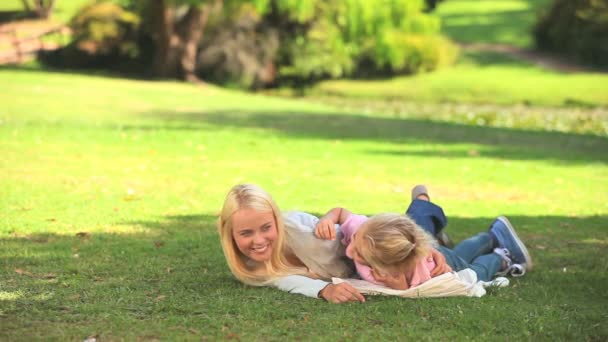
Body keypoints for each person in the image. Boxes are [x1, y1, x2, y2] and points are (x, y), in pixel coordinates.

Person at [217, 184, 452, 303]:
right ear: (229, 233)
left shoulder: (300, 227)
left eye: (266, 227)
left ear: (276, 219)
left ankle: (421, 199)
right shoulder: (249, 268)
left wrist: (423, 248)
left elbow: (370, 230)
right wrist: (324, 290)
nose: (259, 240)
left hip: (371, 244)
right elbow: (286, 281)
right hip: (367, 267)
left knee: (418, 225)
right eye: (246, 233)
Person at [314, 185, 533, 290]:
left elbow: (401, 288)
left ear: (391, 267)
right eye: (353, 242)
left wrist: (388, 279)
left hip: (444, 267)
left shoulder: (403, 271)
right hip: (432, 252)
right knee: (459, 252)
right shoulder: (363, 231)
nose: (349, 251)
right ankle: (491, 235)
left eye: (360, 255)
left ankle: (500, 256)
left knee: (476, 272)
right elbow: (342, 213)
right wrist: (327, 219)